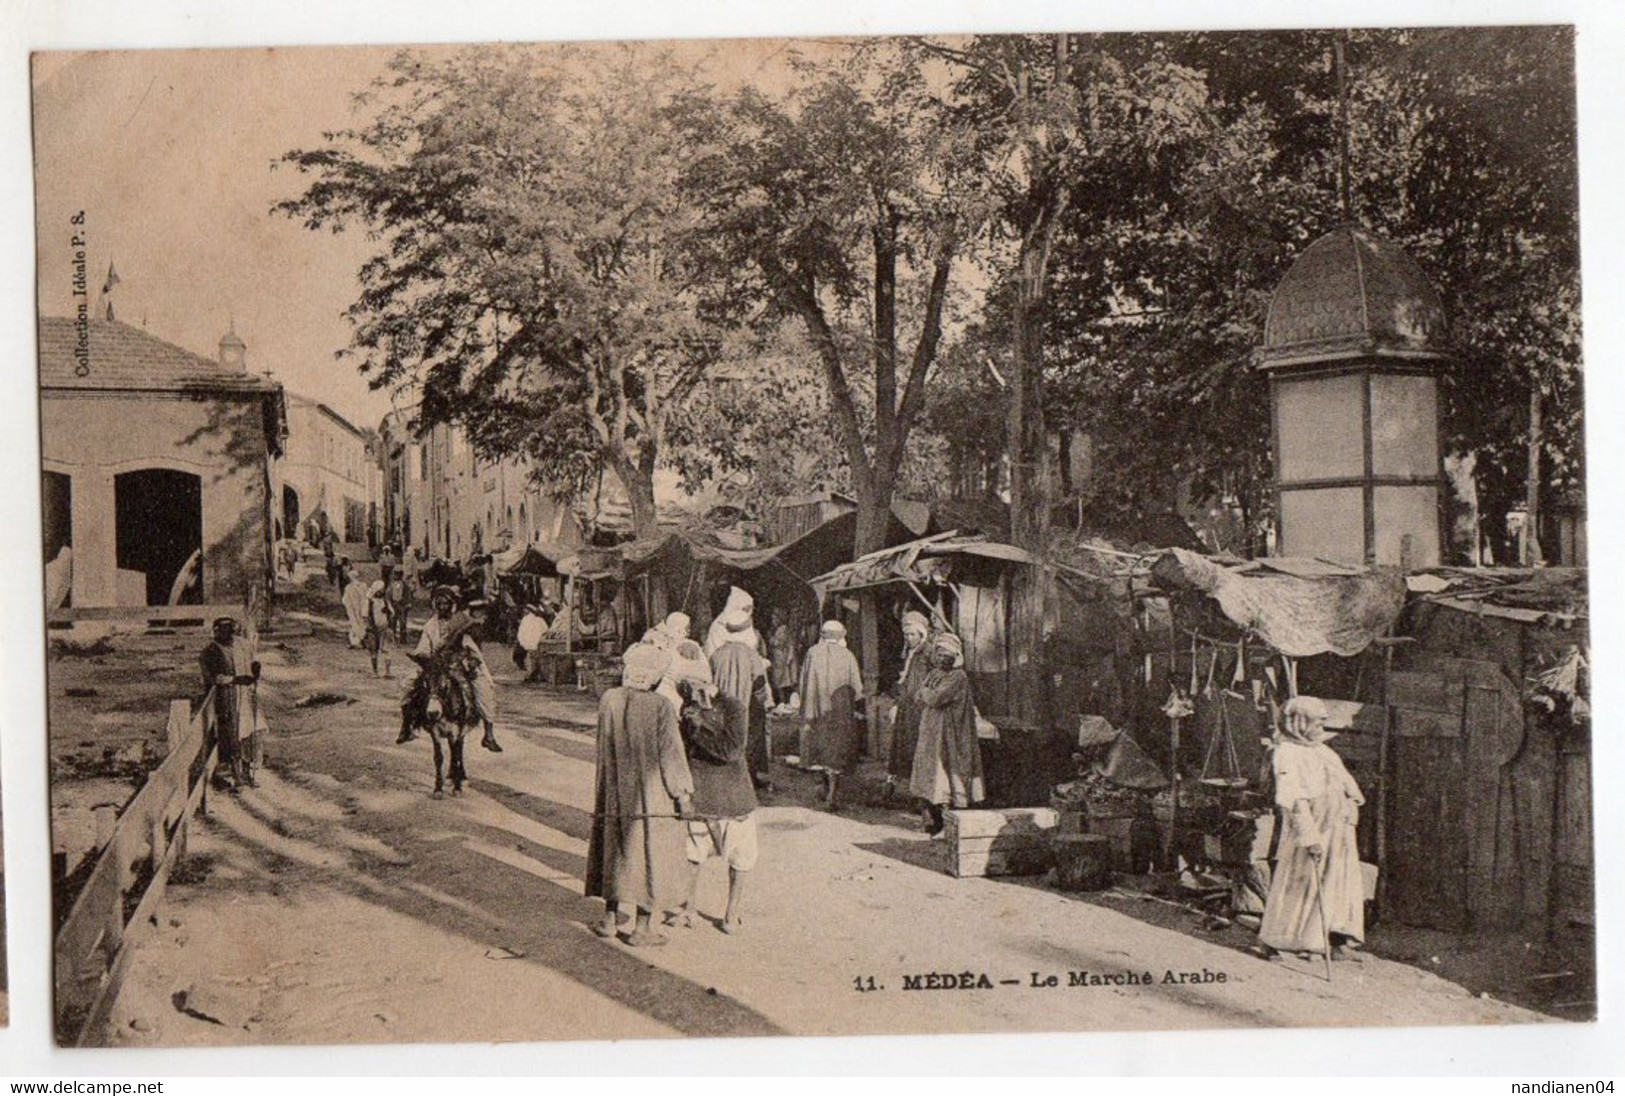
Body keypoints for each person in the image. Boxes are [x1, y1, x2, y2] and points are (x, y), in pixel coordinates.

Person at [586, 641, 695, 947]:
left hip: (613, 787)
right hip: (650, 793)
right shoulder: (661, 707)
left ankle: (609, 919)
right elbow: (672, 756)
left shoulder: (609, 699)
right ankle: (642, 928)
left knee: (615, 845)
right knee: (651, 850)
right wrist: (683, 795)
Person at [1251, 695, 1366, 962]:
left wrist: (1350, 808)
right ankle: (1275, 941)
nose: (1320, 728)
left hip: (1338, 829)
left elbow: (1346, 786)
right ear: (1299, 723)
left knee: (1337, 884)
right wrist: (1309, 836)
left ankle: (1332, 939)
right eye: (1316, 722)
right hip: (1315, 828)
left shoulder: (1323, 750)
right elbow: (1294, 801)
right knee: (1301, 884)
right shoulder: (1287, 754)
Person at [674, 677, 757, 934]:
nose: (692, 691)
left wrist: (698, 728)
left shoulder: (734, 707)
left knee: (740, 856)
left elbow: (730, 751)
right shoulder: (687, 706)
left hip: (733, 796)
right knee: (693, 853)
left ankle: (731, 914)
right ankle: (688, 907)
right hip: (702, 793)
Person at [398, 585, 503, 752]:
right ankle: (407, 726)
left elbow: (470, 646)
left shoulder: (460, 621)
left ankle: (489, 734)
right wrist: (424, 658)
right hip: (435, 664)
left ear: (452, 604)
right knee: (407, 684)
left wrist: (468, 659)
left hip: (458, 663)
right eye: (438, 604)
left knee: (483, 688)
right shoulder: (430, 626)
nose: (442, 607)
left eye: (445, 603)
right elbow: (424, 647)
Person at [909, 632, 986, 836]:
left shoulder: (958, 676)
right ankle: (931, 818)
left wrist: (927, 693)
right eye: (940, 654)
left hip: (950, 731)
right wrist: (926, 694)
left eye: (948, 656)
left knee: (947, 770)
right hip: (930, 729)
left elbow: (936, 698)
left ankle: (948, 820)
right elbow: (918, 696)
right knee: (928, 769)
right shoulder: (934, 673)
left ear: (955, 657)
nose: (943, 659)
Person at [800, 619, 865, 810]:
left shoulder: (812, 653)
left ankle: (826, 787)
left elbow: (804, 680)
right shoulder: (847, 655)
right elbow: (856, 687)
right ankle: (833, 791)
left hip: (816, 709)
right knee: (836, 749)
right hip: (839, 711)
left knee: (820, 747)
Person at [710, 604, 773, 793]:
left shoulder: (717, 654)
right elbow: (759, 683)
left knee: (727, 742)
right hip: (746, 706)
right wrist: (764, 702)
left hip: (723, 707)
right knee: (749, 742)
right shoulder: (750, 654)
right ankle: (748, 781)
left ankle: (728, 782)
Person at [199, 616, 265, 790]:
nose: (225, 633)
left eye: (229, 629)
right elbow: (213, 677)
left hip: (245, 695)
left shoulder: (241, 645)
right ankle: (236, 777)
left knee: (249, 734)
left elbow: (251, 662)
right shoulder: (210, 651)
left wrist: (255, 669)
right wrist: (235, 680)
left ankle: (247, 774)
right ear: (215, 631)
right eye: (221, 629)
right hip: (227, 697)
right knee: (232, 736)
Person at [885, 610, 933, 798]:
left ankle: (919, 794)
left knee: (917, 747)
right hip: (907, 707)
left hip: (920, 708)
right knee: (901, 746)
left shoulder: (928, 652)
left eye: (912, 634)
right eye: (906, 634)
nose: (909, 638)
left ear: (921, 633)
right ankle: (894, 787)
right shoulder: (910, 653)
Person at [363, 579, 393, 677]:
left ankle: (387, 671)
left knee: (386, 649)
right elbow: (365, 615)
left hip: (384, 628)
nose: (382, 591)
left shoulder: (385, 601)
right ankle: (375, 671)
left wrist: (387, 614)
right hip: (373, 629)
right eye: (380, 589)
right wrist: (369, 627)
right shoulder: (369, 602)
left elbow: (392, 613)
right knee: (373, 650)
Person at [341, 560, 369, 649]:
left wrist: (347, 605)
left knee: (354, 622)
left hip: (354, 608)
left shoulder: (348, 587)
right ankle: (359, 640)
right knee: (361, 623)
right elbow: (368, 597)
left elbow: (345, 600)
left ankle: (357, 640)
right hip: (361, 607)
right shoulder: (363, 585)